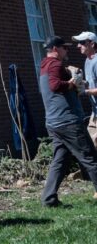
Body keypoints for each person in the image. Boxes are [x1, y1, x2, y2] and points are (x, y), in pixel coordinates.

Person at [39, 36, 97, 207]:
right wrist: (71, 84)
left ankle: (48, 199)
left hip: (53, 122)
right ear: (56, 49)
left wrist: (73, 81)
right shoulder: (55, 65)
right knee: (90, 157)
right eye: (65, 48)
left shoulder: (43, 66)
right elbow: (55, 86)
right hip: (68, 121)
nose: (67, 50)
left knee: (60, 159)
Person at [73, 31, 97, 148]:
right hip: (95, 111)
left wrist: (84, 91)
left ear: (92, 44)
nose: (78, 46)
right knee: (92, 143)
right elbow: (92, 83)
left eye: (82, 43)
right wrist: (79, 83)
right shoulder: (88, 61)